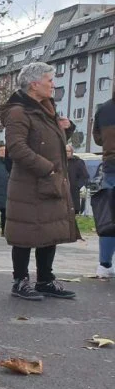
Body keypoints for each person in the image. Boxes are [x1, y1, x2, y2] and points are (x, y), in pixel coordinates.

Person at [1, 61, 79, 300]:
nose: (52, 85)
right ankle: (20, 281)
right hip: (29, 184)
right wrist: (48, 168)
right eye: (49, 81)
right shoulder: (18, 112)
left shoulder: (46, 109)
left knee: (49, 230)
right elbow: (16, 148)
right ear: (35, 85)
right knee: (25, 233)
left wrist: (68, 129)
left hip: (49, 182)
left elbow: (45, 140)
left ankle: (45, 279)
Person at [91, 85, 115, 278]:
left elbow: (98, 139)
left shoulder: (104, 108)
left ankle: (104, 264)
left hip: (110, 165)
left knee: (109, 216)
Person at [65, 143, 90, 215]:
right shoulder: (61, 162)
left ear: (72, 152)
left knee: (73, 214)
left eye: (68, 151)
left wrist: (77, 186)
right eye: (65, 151)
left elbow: (85, 176)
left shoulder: (78, 162)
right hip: (62, 192)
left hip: (73, 193)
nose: (66, 153)